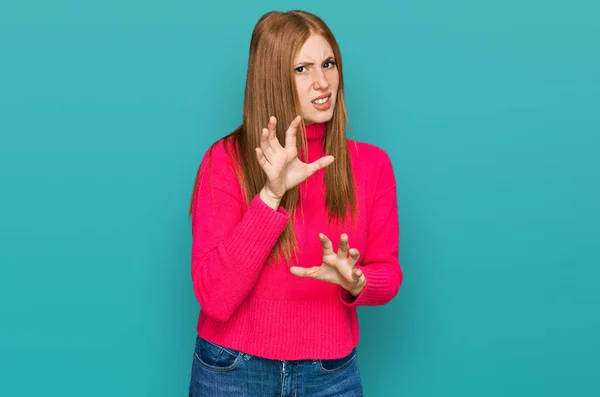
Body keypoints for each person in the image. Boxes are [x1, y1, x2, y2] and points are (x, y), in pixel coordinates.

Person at [187, 9, 402, 397]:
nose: (322, 82)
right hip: (233, 368)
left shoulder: (373, 165)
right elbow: (215, 298)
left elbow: (388, 272)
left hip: (330, 372)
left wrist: (358, 281)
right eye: (302, 69)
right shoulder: (224, 161)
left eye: (328, 63)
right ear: (273, 78)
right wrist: (270, 197)